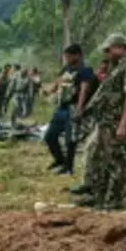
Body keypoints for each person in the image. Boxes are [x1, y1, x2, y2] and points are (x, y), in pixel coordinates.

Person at [76, 35, 126, 211]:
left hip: (118, 122)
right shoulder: (116, 67)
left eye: (109, 50)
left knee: (117, 161)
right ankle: (100, 197)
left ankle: (114, 200)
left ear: (119, 48)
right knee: (102, 159)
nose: (106, 54)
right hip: (106, 121)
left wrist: (123, 124)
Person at [45, 44, 95, 176]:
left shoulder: (86, 70)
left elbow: (84, 89)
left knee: (70, 140)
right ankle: (60, 160)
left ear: (77, 55)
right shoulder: (66, 69)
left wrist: (80, 108)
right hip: (61, 107)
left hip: (73, 107)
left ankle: (68, 167)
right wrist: (50, 91)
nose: (66, 58)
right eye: (65, 56)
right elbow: (59, 83)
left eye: (69, 56)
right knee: (50, 136)